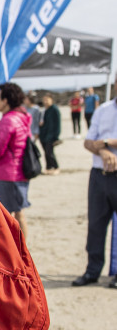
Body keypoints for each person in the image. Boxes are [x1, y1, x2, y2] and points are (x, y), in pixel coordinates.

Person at [72, 87, 117, 289]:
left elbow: (97, 141)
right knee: (96, 226)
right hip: (99, 175)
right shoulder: (103, 109)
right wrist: (104, 151)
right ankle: (92, 271)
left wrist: (105, 142)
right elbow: (88, 141)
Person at [0, 82, 32, 235]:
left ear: (5, 100)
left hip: (8, 173)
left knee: (7, 216)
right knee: (19, 212)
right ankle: (23, 248)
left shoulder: (8, 120)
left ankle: (17, 250)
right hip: (21, 172)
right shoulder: (22, 117)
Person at [38, 93, 61, 175]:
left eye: (47, 99)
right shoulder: (44, 110)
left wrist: (56, 136)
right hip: (43, 134)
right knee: (46, 152)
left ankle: (56, 167)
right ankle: (48, 167)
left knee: (49, 152)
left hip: (51, 135)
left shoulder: (54, 109)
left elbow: (58, 124)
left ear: (51, 100)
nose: (45, 101)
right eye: (44, 100)